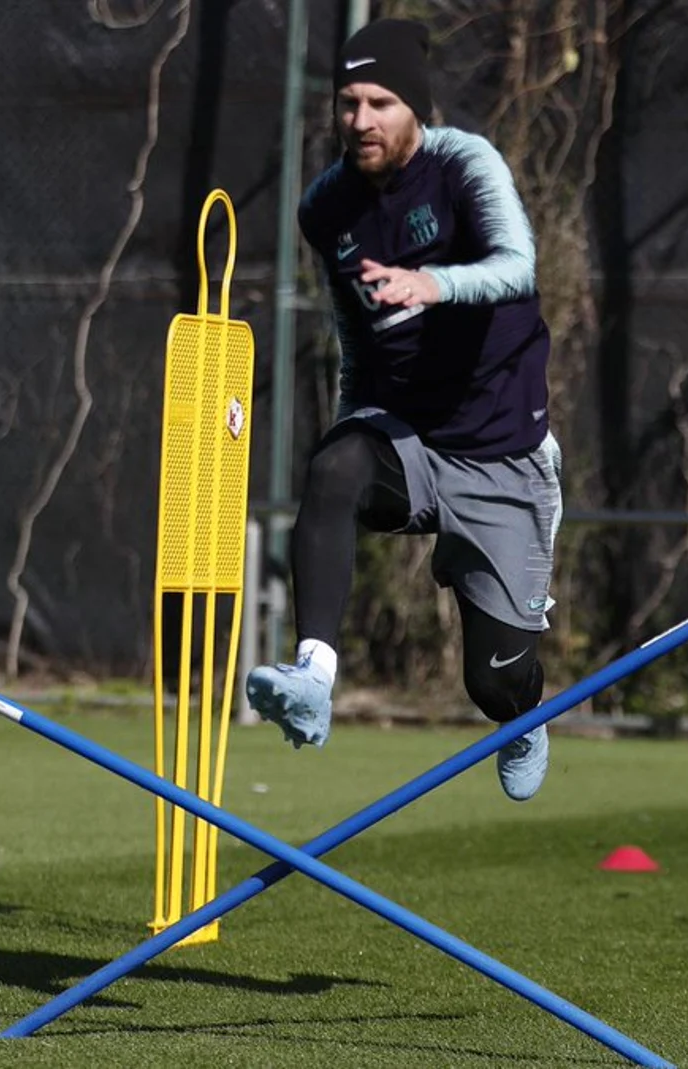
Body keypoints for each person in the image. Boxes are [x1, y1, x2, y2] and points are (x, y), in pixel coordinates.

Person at [244, 17, 562, 801]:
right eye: (348, 102)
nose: (360, 120)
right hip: (411, 440)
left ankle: (523, 711)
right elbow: (356, 337)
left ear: (415, 106)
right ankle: (315, 675)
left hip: (501, 457)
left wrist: (434, 284)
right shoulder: (327, 208)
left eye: (380, 101)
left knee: (495, 681)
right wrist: (355, 424)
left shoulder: (464, 164)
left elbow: (518, 265)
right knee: (335, 466)